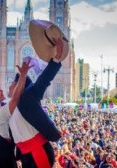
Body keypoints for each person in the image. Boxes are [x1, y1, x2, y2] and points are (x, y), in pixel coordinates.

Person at [8, 19, 70, 168]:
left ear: (20, 86)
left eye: (12, 83)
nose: (9, 86)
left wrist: (56, 57)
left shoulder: (29, 96)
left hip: (38, 152)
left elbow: (44, 79)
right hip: (27, 154)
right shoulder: (10, 105)